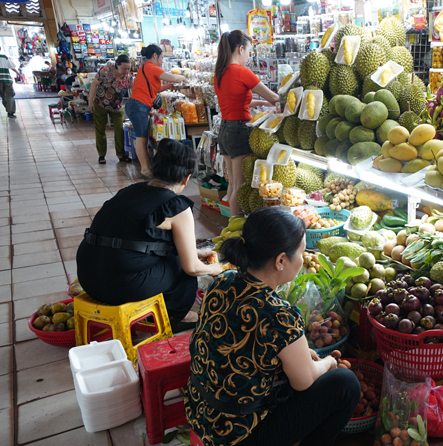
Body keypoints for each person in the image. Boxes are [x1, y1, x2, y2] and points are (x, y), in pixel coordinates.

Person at [184, 207, 360, 446]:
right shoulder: (280, 314)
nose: (303, 257)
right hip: (237, 435)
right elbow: (304, 381)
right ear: (280, 260)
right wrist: (329, 363)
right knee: (345, 383)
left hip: (199, 408)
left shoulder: (223, 281)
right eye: (301, 252)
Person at [76, 139, 222, 332]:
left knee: (176, 255)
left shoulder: (128, 191)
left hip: (88, 278)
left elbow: (133, 239)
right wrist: (217, 269)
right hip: (119, 287)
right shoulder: (176, 206)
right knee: (179, 265)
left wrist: (195, 251)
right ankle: (176, 316)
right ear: (186, 179)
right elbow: (191, 268)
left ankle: (172, 312)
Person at [214, 30, 279, 215]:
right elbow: (274, 97)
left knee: (233, 183)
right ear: (241, 49)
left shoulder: (220, 72)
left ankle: (230, 228)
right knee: (240, 187)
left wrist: (261, 102)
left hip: (225, 129)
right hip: (239, 130)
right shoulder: (242, 72)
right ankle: (236, 228)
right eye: (249, 52)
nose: (249, 57)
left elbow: (236, 100)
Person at [127, 44, 188, 178]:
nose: (162, 62)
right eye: (161, 58)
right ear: (155, 56)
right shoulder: (151, 67)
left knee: (143, 137)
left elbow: (155, 89)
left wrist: (170, 86)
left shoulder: (145, 68)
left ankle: (148, 167)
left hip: (137, 105)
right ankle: (145, 169)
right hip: (138, 106)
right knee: (141, 138)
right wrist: (182, 78)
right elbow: (173, 77)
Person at [88, 55, 133, 164]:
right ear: (117, 65)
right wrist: (90, 101)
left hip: (117, 106)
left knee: (119, 129)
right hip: (101, 104)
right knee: (100, 130)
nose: (126, 71)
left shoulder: (128, 77)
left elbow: (134, 90)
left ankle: (121, 155)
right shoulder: (105, 70)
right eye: (124, 68)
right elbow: (94, 85)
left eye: (128, 68)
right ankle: (101, 155)